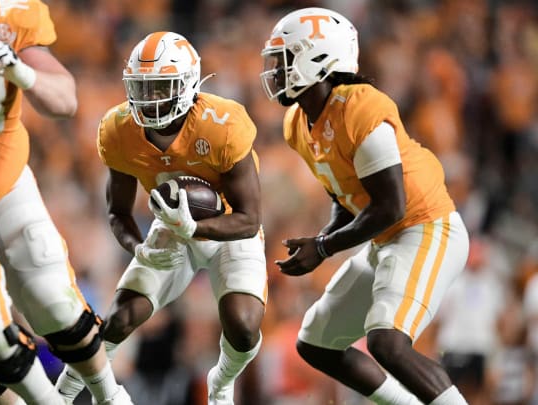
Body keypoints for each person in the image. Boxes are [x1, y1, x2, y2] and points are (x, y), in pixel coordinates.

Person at [0, 0, 131, 403]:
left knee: (53, 297)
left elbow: (65, 101)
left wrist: (23, 73)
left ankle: (111, 396)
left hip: (1, 180)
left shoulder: (12, 16)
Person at [260, 7, 471, 405]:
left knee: (387, 342)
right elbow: (345, 196)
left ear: (317, 59)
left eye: (285, 59)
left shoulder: (360, 106)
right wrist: (322, 237)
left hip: (425, 226)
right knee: (316, 342)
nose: (276, 71)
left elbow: (391, 205)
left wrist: (324, 249)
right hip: (386, 238)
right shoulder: (298, 123)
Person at [54, 31, 267, 405]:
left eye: (160, 87)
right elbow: (118, 213)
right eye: (142, 87)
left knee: (244, 327)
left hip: (229, 230)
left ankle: (222, 380)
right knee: (119, 318)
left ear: (186, 84)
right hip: (172, 230)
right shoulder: (120, 129)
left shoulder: (223, 124)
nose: (149, 99)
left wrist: (195, 227)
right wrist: (141, 249)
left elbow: (249, 219)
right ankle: (61, 395)